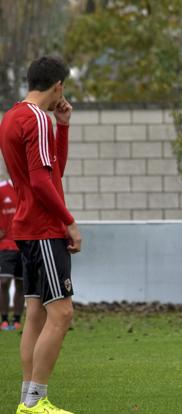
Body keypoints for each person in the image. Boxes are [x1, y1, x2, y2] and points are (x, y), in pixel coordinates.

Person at [0, 55, 82, 413]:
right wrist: (68, 220)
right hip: (44, 227)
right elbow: (41, 181)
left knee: (35, 314)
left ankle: (26, 402)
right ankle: (36, 402)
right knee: (61, 314)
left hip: (27, 227)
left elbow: (52, 172)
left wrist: (62, 126)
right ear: (59, 85)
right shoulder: (36, 119)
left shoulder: (13, 116)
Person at [0, 178, 24, 331]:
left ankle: (16, 320)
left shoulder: (27, 186)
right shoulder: (1, 189)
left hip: (25, 246)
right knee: (4, 282)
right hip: (5, 246)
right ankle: (4, 319)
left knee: (21, 283)